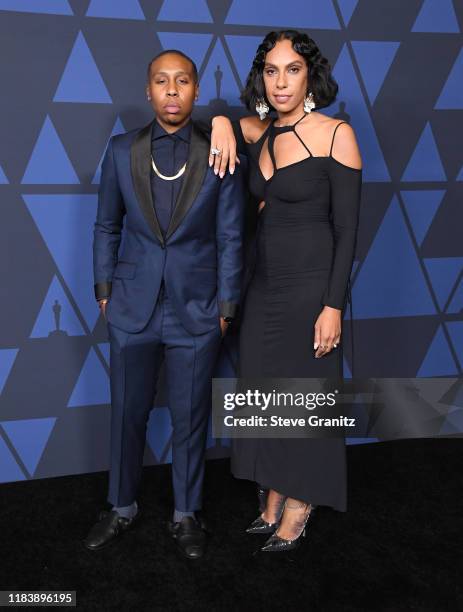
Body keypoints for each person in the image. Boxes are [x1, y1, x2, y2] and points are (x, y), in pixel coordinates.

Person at [83, 49, 245, 559]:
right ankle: (120, 506)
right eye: (161, 81)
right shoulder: (119, 150)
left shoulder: (222, 150)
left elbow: (232, 236)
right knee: (127, 413)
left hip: (197, 308)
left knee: (190, 416)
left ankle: (186, 513)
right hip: (131, 306)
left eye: (182, 81)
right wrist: (104, 290)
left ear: (196, 90)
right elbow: (107, 224)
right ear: (148, 90)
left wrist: (226, 304)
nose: (172, 90)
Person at [208, 30, 363, 552]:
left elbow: (348, 231)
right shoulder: (261, 130)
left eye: (292, 69)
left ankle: (301, 499)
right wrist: (227, 122)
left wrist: (333, 306)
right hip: (262, 287)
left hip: (310, 288)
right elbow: (217, 119)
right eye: (271, 70)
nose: (280, 81)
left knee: (305, 398)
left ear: (309, 75)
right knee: (264, 391)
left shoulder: (336, 133)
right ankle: (274, 485)